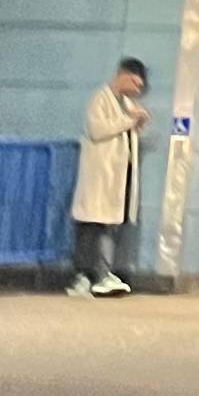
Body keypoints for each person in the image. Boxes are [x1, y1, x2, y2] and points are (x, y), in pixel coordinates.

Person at [69, 58, 151, 298]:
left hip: (116, 178)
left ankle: (102, 273)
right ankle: (85, 275)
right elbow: (97, 129)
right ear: (123, 76)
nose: (137, 90)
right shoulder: (100, 99)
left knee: (107, 226)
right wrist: (130, 121)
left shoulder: (127, 104)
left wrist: (136, 124)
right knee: (92, 227)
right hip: (99, 176)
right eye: (135, 84)